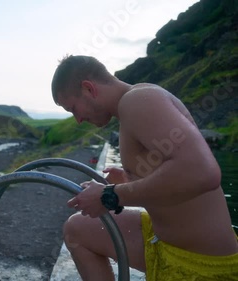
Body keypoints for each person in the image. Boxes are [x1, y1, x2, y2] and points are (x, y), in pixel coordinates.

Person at [51, 55, 238, 280]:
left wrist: (109, 196)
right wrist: (131, 181)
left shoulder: (139, 101)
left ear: (89, 88)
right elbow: (176, 176)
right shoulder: (135, 101)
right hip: (164, 241)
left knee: (80, 227)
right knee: (78, 229)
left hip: (203, 265)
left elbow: (203, 172)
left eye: (73, 108)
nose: (78, 120)